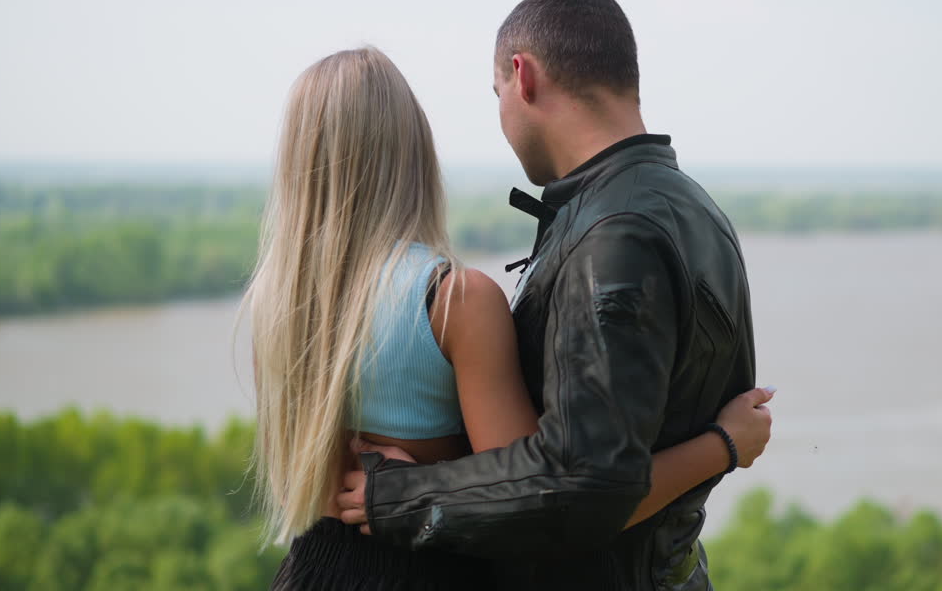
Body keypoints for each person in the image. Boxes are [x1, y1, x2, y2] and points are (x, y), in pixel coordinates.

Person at [246, 42, 772, 589]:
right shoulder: (452, 299)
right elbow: (543, 502)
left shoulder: (272, 304)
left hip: (312, 569)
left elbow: (303, 484)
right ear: (413, 149)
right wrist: (723, 444)